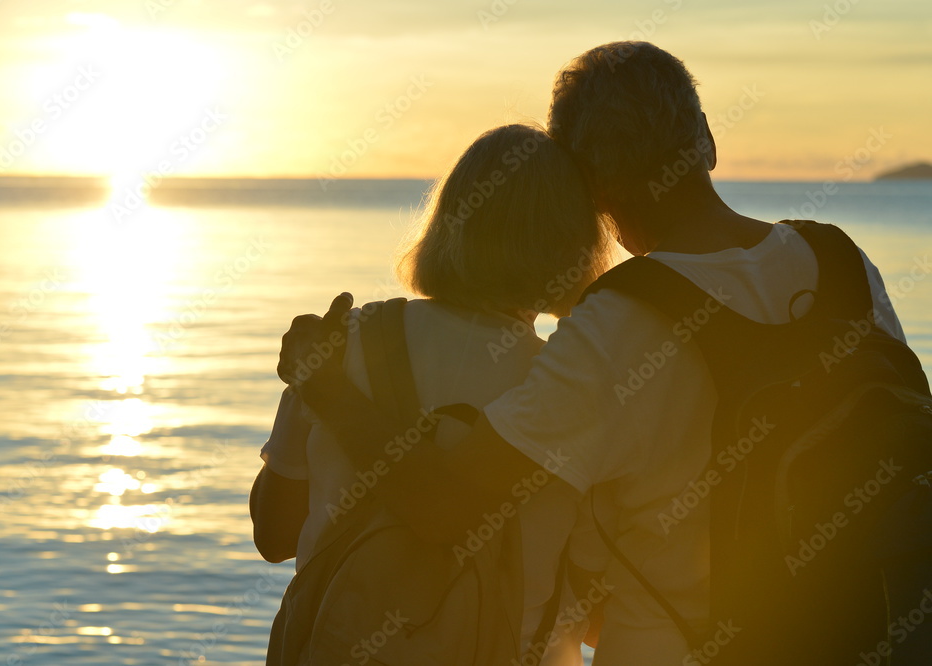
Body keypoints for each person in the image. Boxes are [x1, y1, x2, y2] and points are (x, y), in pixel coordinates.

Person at [277, 42, 908, 664]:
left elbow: (445, 506)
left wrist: (325, 389)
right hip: (861, 628)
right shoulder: (842, 264)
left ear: (588, 187)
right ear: (708, 140)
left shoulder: (617, 323)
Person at [252, 123, 615, 661]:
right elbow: (596, 617)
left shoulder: (340, 343)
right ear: (577, 246)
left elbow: (275, 534)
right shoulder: (566, 386)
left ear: (448, 223)